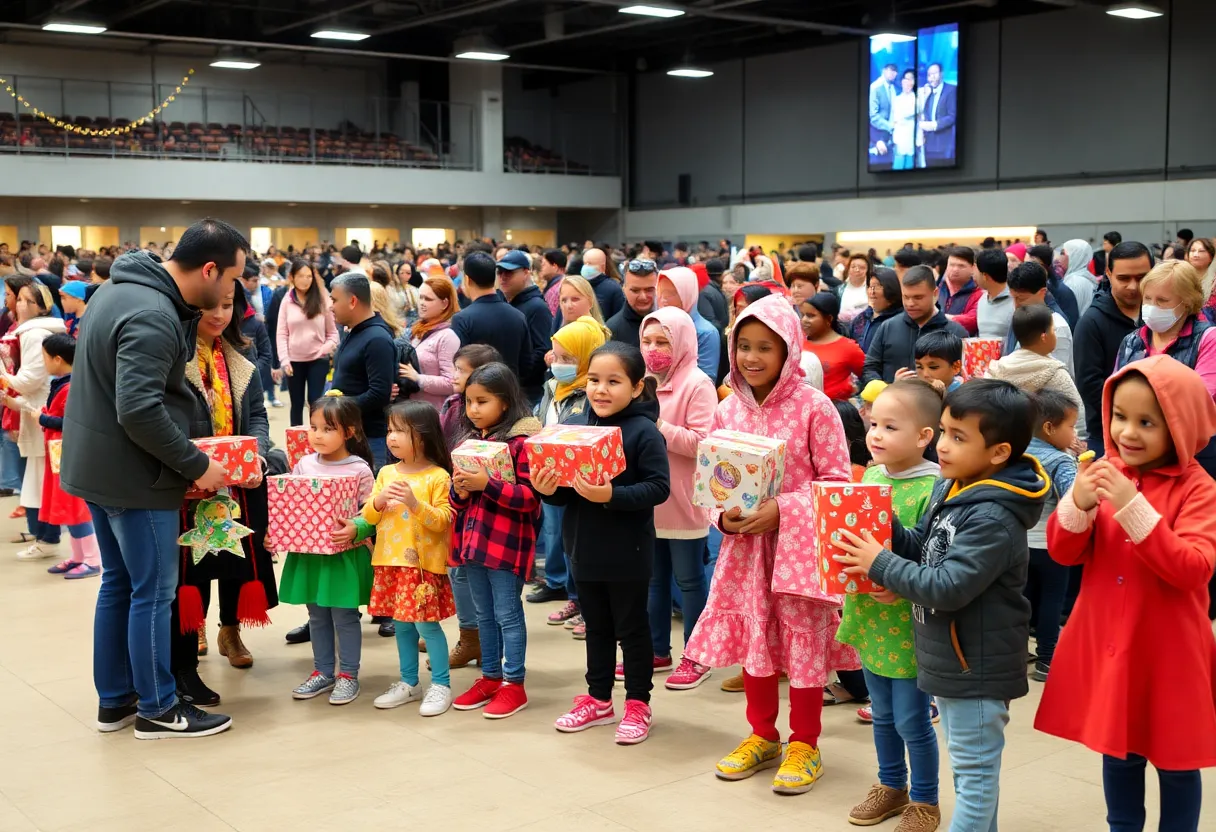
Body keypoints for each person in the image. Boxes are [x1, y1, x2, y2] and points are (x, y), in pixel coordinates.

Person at [834, 380, 1049, 831]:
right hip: (954, 659)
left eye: (957, 436)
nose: (943, 444)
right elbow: (927, 548)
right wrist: (884, 525)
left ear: (998, 452)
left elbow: (948, 585)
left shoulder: (992, 515)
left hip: (977, 666)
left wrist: (880, 562)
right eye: (945, 431)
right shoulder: (954, 488)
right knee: (972, 772)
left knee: (973, 778)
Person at [65, 219, 245, 739]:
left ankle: (116, 700)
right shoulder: (152, 313)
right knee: (153, 592)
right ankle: (160, 708)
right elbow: (139, 409)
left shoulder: (118, 289)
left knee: (119, 584)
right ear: (208, 270)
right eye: (231, 280)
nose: (231, 292)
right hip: (133, 476)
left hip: (98, 466)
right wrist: (197, 465)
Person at [684, 295, 858, 795]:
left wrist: (784, 509)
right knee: (756, 643)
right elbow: (711, 484)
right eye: (743, 346)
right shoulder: (725, 410)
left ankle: (805, 742)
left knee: (803, 643)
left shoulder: (815, 407)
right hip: (744, 551)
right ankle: (763, 735)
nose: (752, 357)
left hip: (800, 554)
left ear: (789, 351)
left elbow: (836, 481)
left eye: (766, 347)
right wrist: (725, 517)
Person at [1039, 357, 1215, 831]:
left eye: (1146, 422)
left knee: (1178, 762)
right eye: (1119, 417)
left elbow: (1194, 569)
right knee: (1119, 753)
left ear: (1180, 425)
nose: (1127, 433)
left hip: (1169, 650)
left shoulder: (1199, 488)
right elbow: (1064, 552)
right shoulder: (1102, 471)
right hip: (1112, 644)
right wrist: (1077, 502)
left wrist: (1131, 506)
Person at [536, 342, 670, 745]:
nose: (601, 389)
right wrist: (547, 490)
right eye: (594, 380)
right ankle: (598, 699)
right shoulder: (579, 425)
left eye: (614, 381)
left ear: (637, 387)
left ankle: (638, 704)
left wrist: (611, 495)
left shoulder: (644, 431)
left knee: (631, 629)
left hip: (628, 551)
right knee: (596, 628)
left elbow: (658, 488)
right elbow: (566, 490)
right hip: (584, 548)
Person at [837, 380, 942, 829]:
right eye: (873, 424)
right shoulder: (873, 475)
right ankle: (891, 784)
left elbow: (931, 555)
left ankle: (925, 800)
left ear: (924, 437)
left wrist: (898, 585)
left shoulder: (935, 486)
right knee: (881, 713)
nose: (876, 435)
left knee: (912, 719)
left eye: (890, 427)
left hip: (908, 619)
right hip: (869, 612)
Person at [171, 285, 277, 704]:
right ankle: (193, 625)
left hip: (238, 482)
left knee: (235, 559)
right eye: (209, 306)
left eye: (227, 305)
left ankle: (229, 630)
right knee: (194, 564)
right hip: (190, 484)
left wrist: (259, 456)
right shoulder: (175, 358)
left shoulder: (240, 359)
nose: (219, 313)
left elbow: (258, 416)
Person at [449, 363, 542, 719]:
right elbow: (456, 501)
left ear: (504, 402)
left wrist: (487, 484)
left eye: (482, 401)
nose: (473, 409)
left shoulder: (520, 444)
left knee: (507, 615)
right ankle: (490, 677)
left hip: (505, 546)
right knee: (483, 615)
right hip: (472, 544)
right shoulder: (471, 443)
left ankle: (514, 684)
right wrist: (460, 490)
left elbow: (530, 498)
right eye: (469, 401)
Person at [358, 402, 457, 717]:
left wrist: (414, 503)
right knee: (401, 626)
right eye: (390, 430)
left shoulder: (438, 477)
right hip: (390, 563)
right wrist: (378, 500)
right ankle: (409, 682)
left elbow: (443, 520)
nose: (392, 437)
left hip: (422, 569)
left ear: (424, 436)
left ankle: (440, 684)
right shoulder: (386, 472)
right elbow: (369, 516)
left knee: (426, 628)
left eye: (401, 430)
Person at [637, 307, 717, 691]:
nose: (653, 350)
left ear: (682, 342)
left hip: (685, 500)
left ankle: (696, 654)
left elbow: (704, 444)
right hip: (650, 499)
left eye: (662, 342)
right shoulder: (642, 381)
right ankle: (656, 649)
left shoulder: (698, 384)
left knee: (689, 581)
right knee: (653, 580)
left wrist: (657, 427)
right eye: (647, 341)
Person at [280, 397, 377, 706]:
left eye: (327, 428)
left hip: (344, 556)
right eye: (313, 427)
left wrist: (357, 528)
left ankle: (348, 675)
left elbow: (374, 514)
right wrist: (276, 531)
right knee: (317, 615)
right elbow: (290, 505)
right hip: (309, 555)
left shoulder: (359, 469)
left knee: (345, 616)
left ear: (349, 432)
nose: (317, 435)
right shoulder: (303, 464)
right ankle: (323, 671)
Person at [526, 316, 605, 628]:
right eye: (555, 357)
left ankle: (591, 608)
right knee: (560, 538)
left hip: (583, 479)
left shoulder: (593, 392)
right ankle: (574, 597)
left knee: (586, 546)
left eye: (567, 359)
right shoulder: (553, 386)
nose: (557, 364)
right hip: (552, 475)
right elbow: (541, 417)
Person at [3, 278, 67, 559]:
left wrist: (3, 376)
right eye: (14, 298)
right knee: (38, 479)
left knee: (43, 481)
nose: (15, 303)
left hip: (42, 415)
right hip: (39, 412)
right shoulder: (35, 331)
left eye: (19, 298)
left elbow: (29, 380)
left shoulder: (33, 333)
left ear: (37, 305)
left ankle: (47, 538)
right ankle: (44, 536)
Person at [1020, 389, 1079, 684]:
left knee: (1022, 600)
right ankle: (1045, 659)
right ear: (1049, 428)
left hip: (1019, 543)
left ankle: (1016, 657)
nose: (1075, 433)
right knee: (1052, 602)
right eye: (1071, 426)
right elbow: (1074, 498)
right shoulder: (1061, 461)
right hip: (1051, 545)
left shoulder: (1015, 451)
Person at [30, 333, 100, 578]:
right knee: (65, 504)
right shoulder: (63, 382)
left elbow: (70, 422)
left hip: (68, 453)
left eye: (45, 357)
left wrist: (42, 418)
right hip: (58, 453)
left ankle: (92, 559)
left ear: (58, 359)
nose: (44, 362)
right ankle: (78, 556)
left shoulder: (71, 386)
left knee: (75, 505)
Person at [1074, 241, 1150, 454]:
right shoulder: (1092, 323)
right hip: (1109, 439)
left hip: (1157, 435)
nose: (1133, 287)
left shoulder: (1158, 315)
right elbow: (1090, 386)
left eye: (1141, 278)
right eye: (1124, 278)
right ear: (1108, 273)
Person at [329, 273, 397, 471]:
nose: (331, 306)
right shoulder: (353, 331)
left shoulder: (377, 339)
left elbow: (379, 394)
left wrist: (338, 408)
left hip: (370, 439)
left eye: (334, 300)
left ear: (352, 301)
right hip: (350, 434)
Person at [986, 305, 1086, 433]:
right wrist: (1078, 442)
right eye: (1053, 330)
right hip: (1045, 444)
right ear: (1044, 337)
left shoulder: (998, 368)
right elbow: (1077, 413)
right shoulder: (1054, 372)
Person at [862, 266, 968, 385]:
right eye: (906, 297)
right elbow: (870, 366)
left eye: (918, 297)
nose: (910, 304)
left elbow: (962, 375)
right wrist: (889, 388)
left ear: (935, 294)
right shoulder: (888, 326)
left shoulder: (955, 332)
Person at [277, 259, 339, 427]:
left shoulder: (322, 299)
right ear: (292, 277)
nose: (305, 280)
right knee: (296, 404)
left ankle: (316, 439)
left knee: (315, 402)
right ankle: (295, 444)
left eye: (309, 276)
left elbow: (333, 334)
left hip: (318, 360)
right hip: (294, 362)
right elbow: (282, 333)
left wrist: (324, 349)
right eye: (301, 276)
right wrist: (284, 360)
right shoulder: (287, 301)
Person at [450, 251, 529, 378]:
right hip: (512, 391)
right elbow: (526, 364)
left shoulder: (462, 319)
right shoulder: (518, 316)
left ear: (467, 279)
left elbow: (459, 366)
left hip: (477, 392)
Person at [497, 249, 553, 403]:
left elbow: (543, 350)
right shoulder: (508, 303)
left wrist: (517, 374)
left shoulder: (537, 307)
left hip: (527, 392)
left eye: (509, 272)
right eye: (500, 272)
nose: (503, 277)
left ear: (526, 272)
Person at [1004, 262, 1074, 378]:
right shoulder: (1020, 317)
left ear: (1042, 292)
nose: (1016, 305)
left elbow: (1055, 375)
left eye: (1021, 299)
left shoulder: (1056, 326)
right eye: (1013, 298)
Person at [403, 277, 459, 412]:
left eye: (428, 299)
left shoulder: (448, 336)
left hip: (433, 415)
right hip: (409, 411)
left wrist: (418, 379)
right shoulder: (416, 330)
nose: (422, 303)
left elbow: (453, 383)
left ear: (444, 303)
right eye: (420, 297)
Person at [799, 292, 865, 401]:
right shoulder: (797, 342)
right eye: (803, 315)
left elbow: (868, 375)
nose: (804, 320)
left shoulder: (848, 347)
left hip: (835, 410)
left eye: (810, 316)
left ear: (829, 319)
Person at [656, 266, 720, 378]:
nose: (663, 299)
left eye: (670, 293)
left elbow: (706, 379)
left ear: (687, 295)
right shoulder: (655, 326)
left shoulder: (705, 332)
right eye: (660, 293)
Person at [607, 259, 658, 348]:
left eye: (649, 290)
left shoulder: (669, 323)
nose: (643, 297)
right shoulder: (613, 330)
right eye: (635, 290)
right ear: (623, 289)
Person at [849, 269, 903, 353]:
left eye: (877, 286)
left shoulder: (901, 320)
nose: (872, 292)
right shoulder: (860, 319)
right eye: (870, 287)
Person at [1027, 244, 1079, 329]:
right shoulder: (1030, 287)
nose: (1029, 270)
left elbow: (1069, 325)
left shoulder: (1061, 291)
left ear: (1047, 267)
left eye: (1035, 265)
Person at [918, 62, 957, 167]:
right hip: (929, 146)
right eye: (929, 75)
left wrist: (935, 125)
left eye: (934, 73)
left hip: (945, 145)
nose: (932, 77)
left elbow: (953, 116)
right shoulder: (928, 94)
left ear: (942, 74)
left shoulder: (951, 90)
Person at [938, 247, 981, 336]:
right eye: (951, 265)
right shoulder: (938, 288)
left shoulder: (979, 293)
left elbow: (972, 321)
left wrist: (938, 317)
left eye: (961, 266)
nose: (955, 269)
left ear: (973, 268)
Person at [576, 247, 625, 322]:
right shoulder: (578, 285)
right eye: (585, 263)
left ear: (602, 267)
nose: (586, 267)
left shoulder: (613, 288)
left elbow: (618, 318)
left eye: (590, 263)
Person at [974, 248, 1013, 341]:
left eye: (976, 271)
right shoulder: (982, 300)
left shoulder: (1016, 301)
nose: (973, 275)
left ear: (985, 276)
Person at [1058, 239, 1097, 319]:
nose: (1058, 258)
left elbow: (1070, 316)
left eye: (1062, 253)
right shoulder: (1085, 279)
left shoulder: (1074, 283)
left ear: (1074, 256)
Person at [890, 68, 919, 170]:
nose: (909, 82)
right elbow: (895, 120)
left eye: (912, 79)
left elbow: (911, 113)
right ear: (902, 81)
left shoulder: (918, 99)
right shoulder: (896, 99)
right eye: (906, 79)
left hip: (913, 142)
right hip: (899, 141)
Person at [868, 63, 897, 164]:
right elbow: (873, 116)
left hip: (889, 136)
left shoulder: (893, 88)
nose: (893, 73)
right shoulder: (875, 88)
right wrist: (890, 126)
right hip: (877, 134)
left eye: (895, 71)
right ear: (884, 71)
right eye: (890, 70)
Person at [698, 256, 730, 332]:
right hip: (716, 334)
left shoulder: (711, 289)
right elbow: (709, 320)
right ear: (721, 275)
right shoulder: (706, 292)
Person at [837, 254, 872, 325]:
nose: (857, 270)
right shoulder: (839, 290)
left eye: (862, 268)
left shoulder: (871, 289)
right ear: (848, 269)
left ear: (867, 270)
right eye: (853, 267)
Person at [540, 248, 567, 319]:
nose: (541, 268)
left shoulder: (559, 288)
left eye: (543, 265)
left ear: (554, 266)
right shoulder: (559, 283)